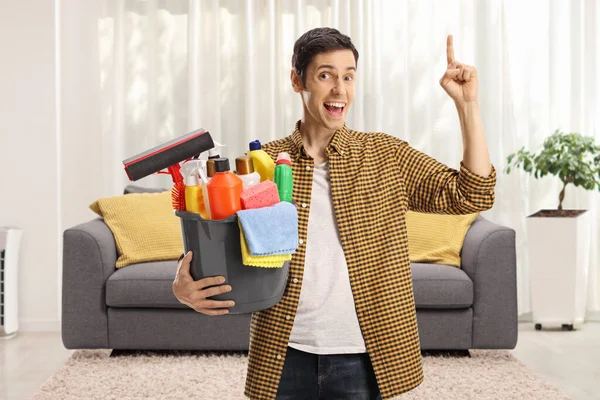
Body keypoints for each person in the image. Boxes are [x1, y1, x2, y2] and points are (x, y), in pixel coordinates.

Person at [172, 27, 496, 400]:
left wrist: (467, 105)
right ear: (298, 80)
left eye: (348, 76)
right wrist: (182, 286)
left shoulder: (385, 156)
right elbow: (222, 236)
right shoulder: (261, 166)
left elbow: (473, 193)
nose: (339, 89)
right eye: (325, 75)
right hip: (283, 353)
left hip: (364, 356)